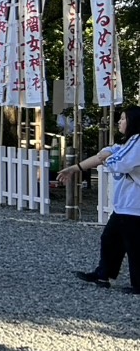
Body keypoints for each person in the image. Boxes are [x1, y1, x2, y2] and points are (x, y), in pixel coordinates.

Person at [60, 104, 140, 293]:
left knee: (134, 246)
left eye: (123, 119)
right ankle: (103, 274)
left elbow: (119, 163)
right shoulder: (128, 144)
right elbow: (103, 156)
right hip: (125, 206)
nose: (119, 122)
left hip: (134, 206)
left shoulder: (137, 141)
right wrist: (75, 168)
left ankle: (137, 284)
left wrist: (106, 157)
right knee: (110, 239)